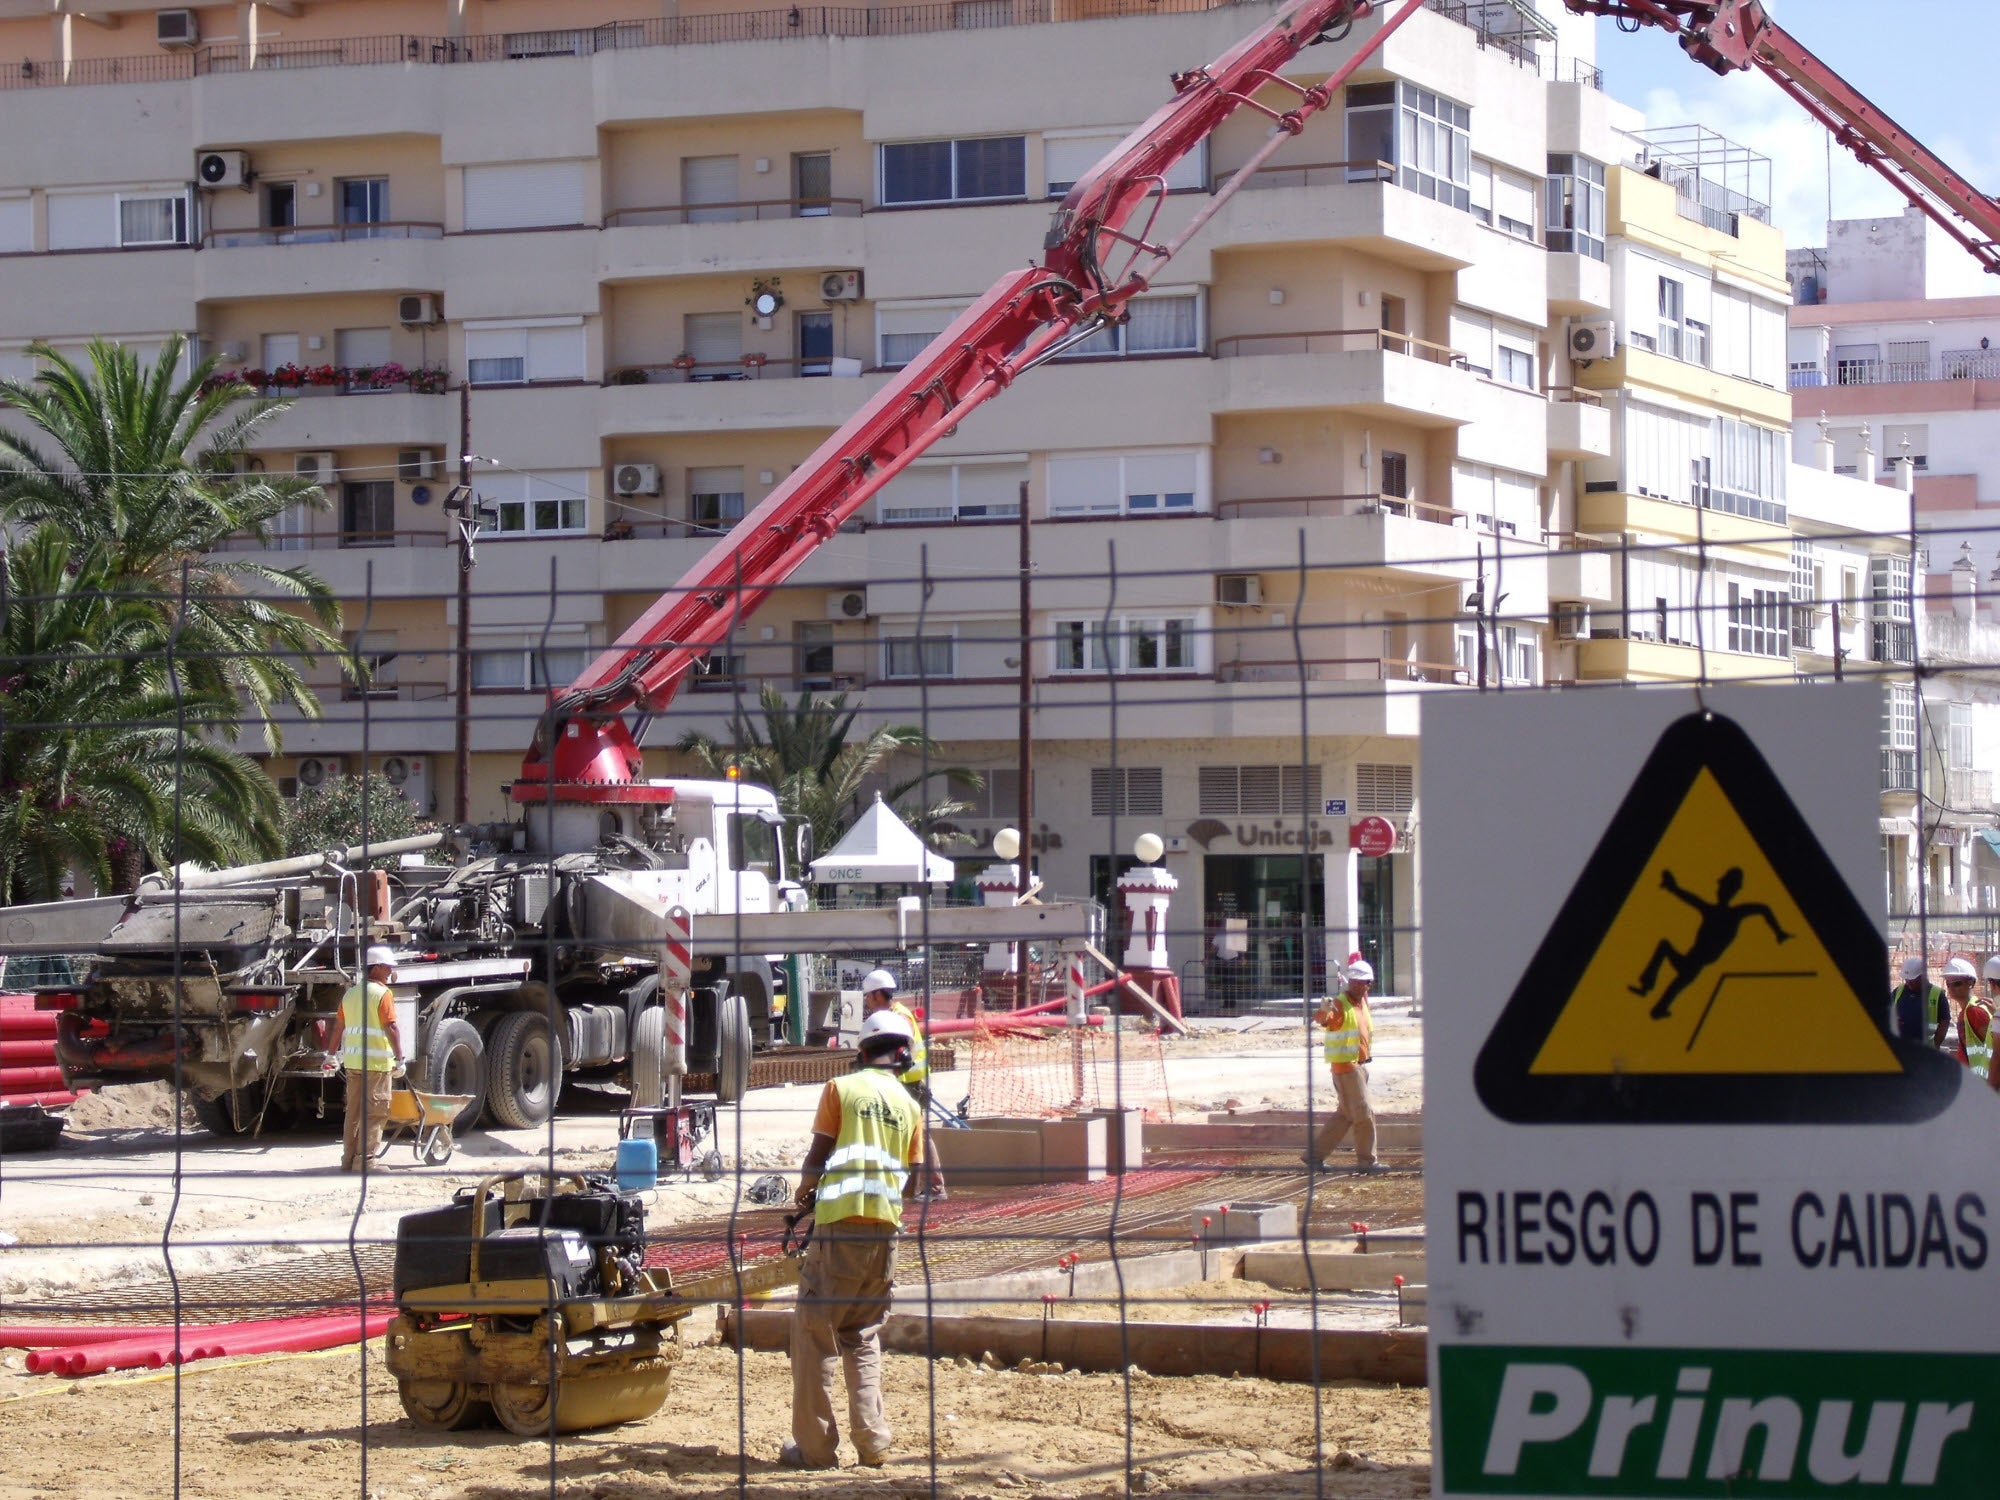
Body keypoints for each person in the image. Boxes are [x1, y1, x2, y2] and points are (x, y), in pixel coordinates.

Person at [783, 1009, 925, 1471]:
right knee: (862, 1335)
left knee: (814, 1335)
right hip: (885, 1234)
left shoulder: (841, 1089)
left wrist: (804, 1194)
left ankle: (815, 1448)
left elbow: (817, 1156)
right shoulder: (910, 1106)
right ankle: (873, 1442)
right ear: (902, 1055)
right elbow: (913, 1180)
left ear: (861, 1052)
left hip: (839, 1229)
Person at [859, 970, 946, 1199]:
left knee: (918, 1133)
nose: (867, 1001)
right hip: (900, 1081)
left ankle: (934, 1187)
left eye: (868, 996)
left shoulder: (898, 1017)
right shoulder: (891, 1015)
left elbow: (903, 1054)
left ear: (878, 994)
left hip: (908, 1083)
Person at [1304, 959, 1386, 1176]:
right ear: (1349, 982)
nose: (1358, 985)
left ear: (1369, 984)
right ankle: (1367, 1162)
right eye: (1354, 982)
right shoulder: (1340, 1004)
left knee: (1345, 1115)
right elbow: (1324, 1020)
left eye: (1362, 982)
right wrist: (1323, 1012)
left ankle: (1314, 1157)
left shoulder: (1362, 1004)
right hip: (1347, 1067)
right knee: (1364, 1113)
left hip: (1359, 1066)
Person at [329, 945, 403, 1173]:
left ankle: (348, 1159)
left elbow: (338, 1027)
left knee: (353, 1112)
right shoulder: (382, 994)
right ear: (377, 967)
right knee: (375, 1112)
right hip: (377, 1066)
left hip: (354, 1064)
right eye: (388, 967)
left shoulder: (350, 994)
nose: (390, 972)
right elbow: (391, 1027)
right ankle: (366, 1161)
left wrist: (330, 1054)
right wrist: (400, 1058)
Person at [1889, 955, 1950, 1049]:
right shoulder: (1898, 991)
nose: (1909, 982)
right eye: (1907, 979)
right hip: (1901, 1048)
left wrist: (1935, 1044)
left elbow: (1944, 1022)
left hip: (1925, 1049)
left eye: (1913, 980)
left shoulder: (1937, 994)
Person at [1941, 956, 1979, 1061]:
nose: (1951, 988)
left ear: (1971, 983)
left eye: (1957, 983)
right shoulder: (1965, 1012)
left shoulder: (1975, 1011)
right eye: (1948, 984)